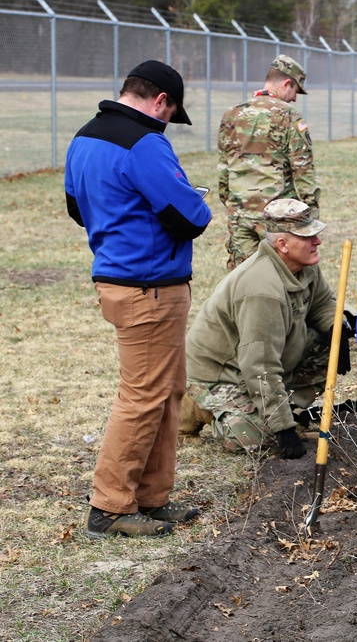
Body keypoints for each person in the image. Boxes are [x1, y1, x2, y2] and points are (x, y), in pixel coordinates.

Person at [65, 60, 213, 538]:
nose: (168, 121)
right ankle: (109, 507)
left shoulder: (85, 136)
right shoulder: (146, 142)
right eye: (171, 113)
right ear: (160, 102)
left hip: (120, 279)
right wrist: (193, 197)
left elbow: (75, 206)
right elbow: (190, 217)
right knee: (144, 396)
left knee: (167, 391)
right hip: (149, 287)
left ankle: (150, 497)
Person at [184, 199, 354, 456]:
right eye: (307, 237)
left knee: (327, 349)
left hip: (262, 363)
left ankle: (273, 407)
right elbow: (259, 366)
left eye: (315, 234)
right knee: (254, 437)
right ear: (282, 245)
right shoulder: (262, 289)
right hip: (221, 375)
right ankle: (195, 405)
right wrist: (284, 430)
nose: (317, 241)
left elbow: (323, 304)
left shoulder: (304, 267)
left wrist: (336, 330)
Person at [218, 54, 319, 270]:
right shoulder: (290, 116)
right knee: (283, 276)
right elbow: (303, 170)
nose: (294, 98)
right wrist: (310, 218)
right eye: (295, 91)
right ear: (286, 83)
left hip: (239, 214)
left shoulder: (232, 114)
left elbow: (224, 168)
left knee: (242, 279)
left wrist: (232, 203)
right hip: (277, 217)